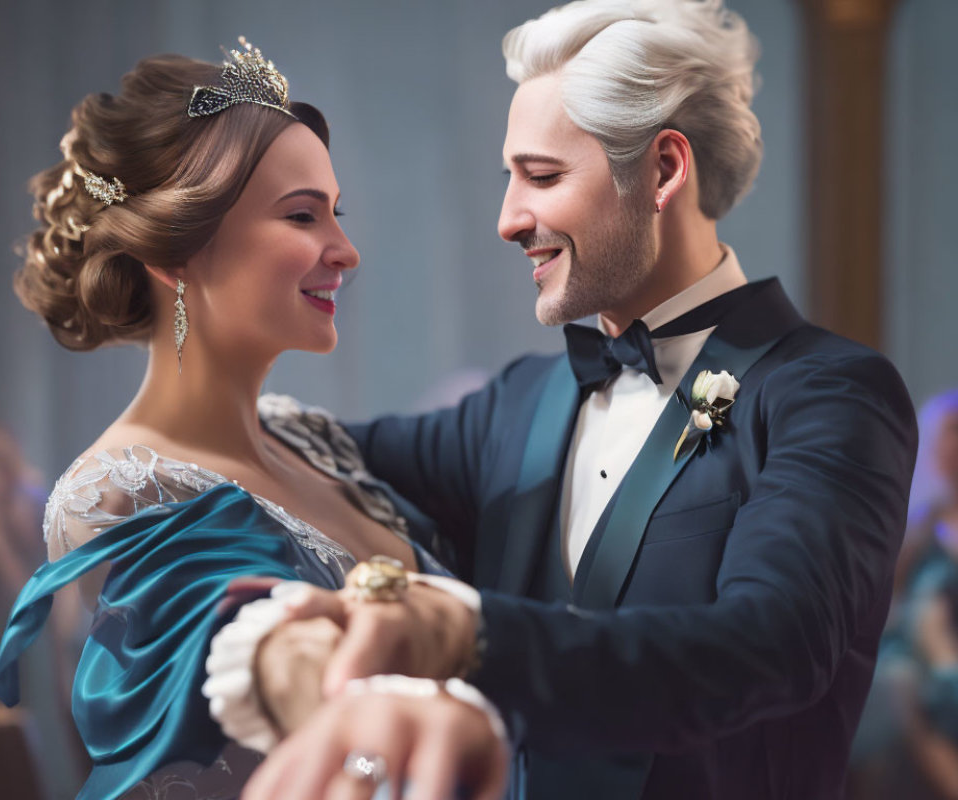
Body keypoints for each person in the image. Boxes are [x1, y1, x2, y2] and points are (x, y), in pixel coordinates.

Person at [234, 1, 918, 798]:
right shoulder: (520, 402)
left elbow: (768, 648)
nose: (507, 220)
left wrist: (467, 634)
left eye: (543, 176)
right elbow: (306, 452)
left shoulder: (830, 394)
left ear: (663, 170)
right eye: (508, 178)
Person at [0, 40, 507, 800]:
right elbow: (243, 650)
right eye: (303, 215)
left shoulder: (307, 434)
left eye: (337, 214)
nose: (346, 250)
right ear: (177, 252)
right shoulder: (122, 490)